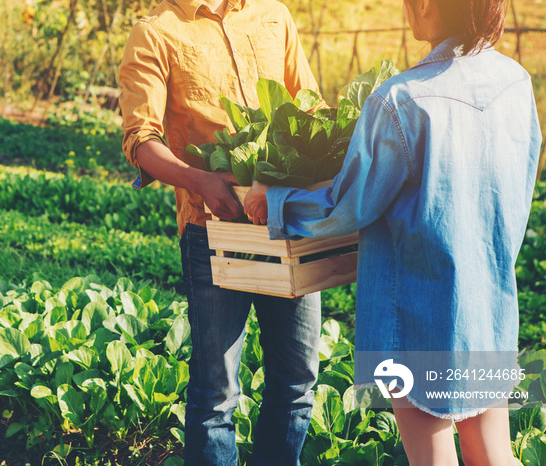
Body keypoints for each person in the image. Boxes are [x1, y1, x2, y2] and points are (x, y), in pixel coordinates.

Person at [243, 0, 542, 464]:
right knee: (494, 455)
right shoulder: (515, 82)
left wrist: (274, 199)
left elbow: (347, 207)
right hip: (488, 311)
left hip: (416, 320)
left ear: (424, 4)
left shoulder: (400, 99)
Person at [118, 0, 324, 464]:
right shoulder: (155, 32)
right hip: (213, 232)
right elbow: (140, 139)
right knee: (216, 392)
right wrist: (200, 180)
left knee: (297, 382)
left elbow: (310, 108)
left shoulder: (274, 16)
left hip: (287, 221)